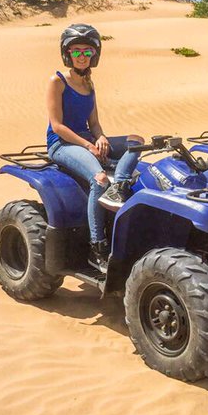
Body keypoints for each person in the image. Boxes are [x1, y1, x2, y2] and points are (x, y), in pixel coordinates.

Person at [45, 23, 143, 272]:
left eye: (86, 52)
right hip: (63, 144)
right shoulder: (57, 81)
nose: (81, 56)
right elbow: (57, 126)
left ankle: (118, 185)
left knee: (137, 140)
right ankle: (96, 246)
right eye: (76, 51)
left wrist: (100, 138)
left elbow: (95, 123)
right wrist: (89, 144)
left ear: (94, 55)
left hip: (88, 139)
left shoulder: (89, 84)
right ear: (67, 54)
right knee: (99, 178)